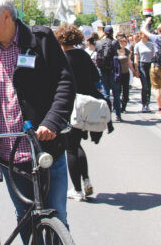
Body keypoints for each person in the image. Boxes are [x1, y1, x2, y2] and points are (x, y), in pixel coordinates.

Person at [0, 0, 75, 245]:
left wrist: (52, 122)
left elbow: (65, 83)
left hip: (46, 149)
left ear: (6, 17)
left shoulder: (41, 39)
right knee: (26, 217)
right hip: (7, 155)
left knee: (56, 215)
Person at [55, 24, 112, 201]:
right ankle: (86, 180)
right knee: (77, 143)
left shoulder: (62, 58)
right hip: (87, 104)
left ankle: (77, 189)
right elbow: (96, 78)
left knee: (71, 147)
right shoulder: (84, 55)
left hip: (71, 106)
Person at [95, 25, 122, 121]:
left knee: (106, 93)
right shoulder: (114, 42)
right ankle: (118, 115)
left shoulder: (98, 43)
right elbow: (119, 51)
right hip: (113, 71)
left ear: (104, 32)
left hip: (103, 70)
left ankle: (107, 115)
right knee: (116, 94)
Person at [117, 35, 138, 113]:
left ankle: (123, 107)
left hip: (125, 72)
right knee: (118, 90)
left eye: (126, 41)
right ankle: (117, 106)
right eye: (123, 41)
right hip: (117, 73)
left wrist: (133, 71)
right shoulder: (115, 51)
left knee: (126, 91)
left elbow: (129, 62)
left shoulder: (128, 51)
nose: (125, 43)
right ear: (120, 42)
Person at [134, 32, 155, 112]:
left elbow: (153, 56)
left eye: (146, 34)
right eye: (143, 34)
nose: (145, 35)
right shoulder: (138, 45)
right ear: (140, 35)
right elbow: (136, 58)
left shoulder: (151, 44)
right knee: (144, 85)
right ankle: (143, 104)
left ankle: (147, 104)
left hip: (150, 64)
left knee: (149, 85)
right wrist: (136, 69)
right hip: (142, 65)